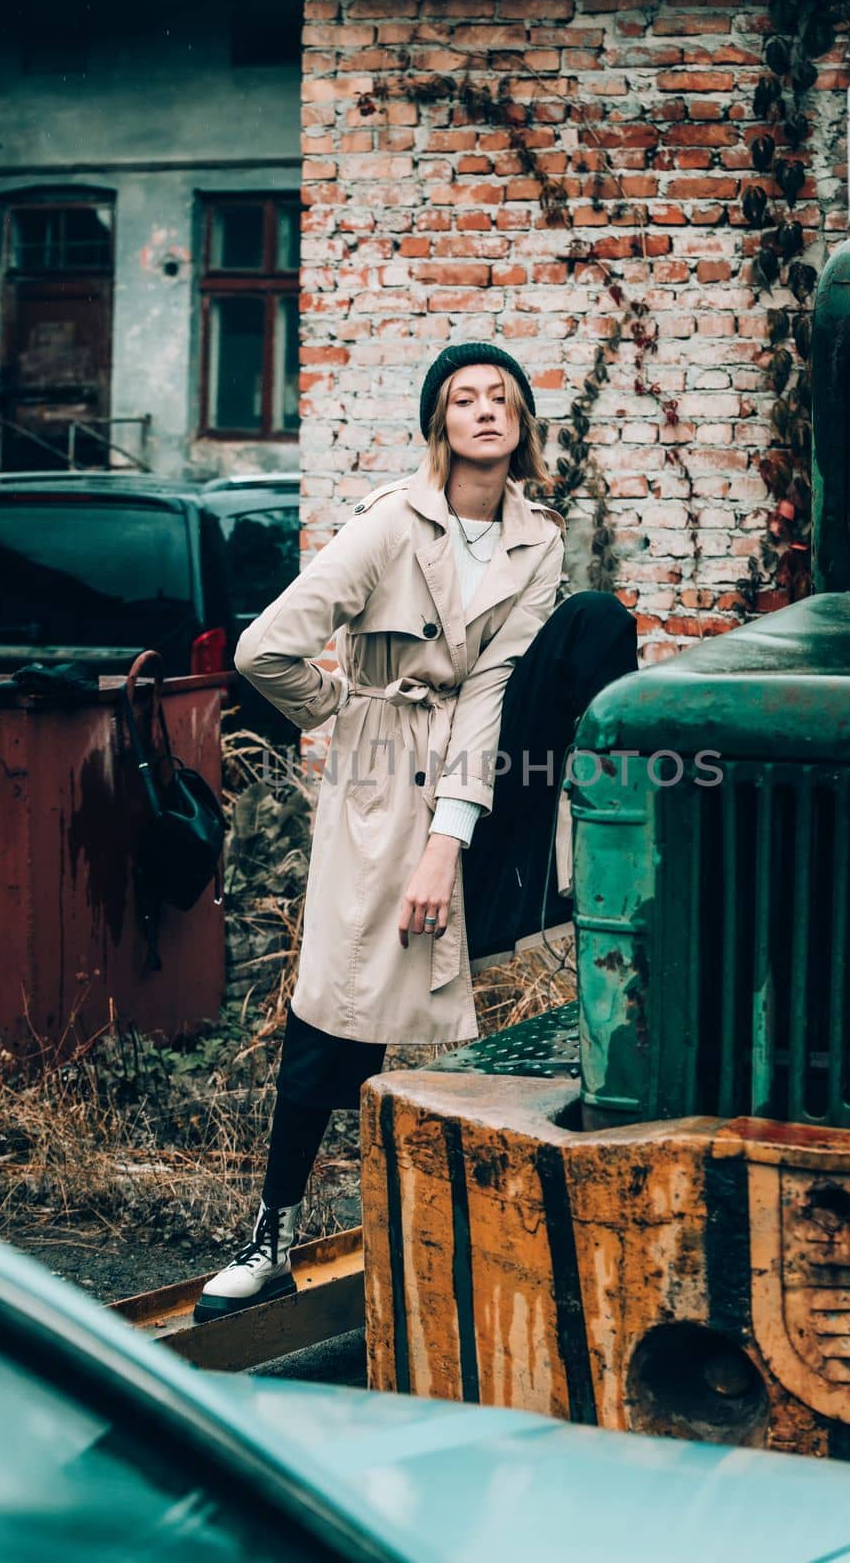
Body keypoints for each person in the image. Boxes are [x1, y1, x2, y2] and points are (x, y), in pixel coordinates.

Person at [194, 342, 638, 1322]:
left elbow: (489, 690)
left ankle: (582, 852)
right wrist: (340, 710)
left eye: (501, 399)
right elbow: (264, 646)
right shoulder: (392, 524)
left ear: (521, 423)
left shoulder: (540, 538)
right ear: (439, 423)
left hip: (481, 769)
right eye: (463, 399)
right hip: (382, 770)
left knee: (599, 623)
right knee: (341, 1009)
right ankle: (270, 1236)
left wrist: (449, 840)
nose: (485, 411)